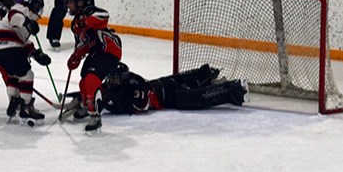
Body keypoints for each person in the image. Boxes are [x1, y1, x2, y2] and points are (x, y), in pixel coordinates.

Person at [66, 63, 248, 118]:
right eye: (111, 79)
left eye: (115, 79)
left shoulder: (133, 85)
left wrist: (106, 103)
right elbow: (100, 91)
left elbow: (141, 106)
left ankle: (235, 89)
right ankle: (207, 74)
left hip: (168, 97)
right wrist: (81, 98)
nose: (112, 82)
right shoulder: (116, 84)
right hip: (160, 83)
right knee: (186, 78)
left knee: (198, 98)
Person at [0, 0, 52, 126]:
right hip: (9, 47)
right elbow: (13, 16)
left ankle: (14, 101)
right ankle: (26, 108)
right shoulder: (22, 8)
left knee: (13, 75)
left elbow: (21, 41)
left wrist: (36, 54)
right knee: (27, 76)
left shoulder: (22, 22)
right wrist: (27, 22)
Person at [64, 0, 121, 134]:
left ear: (81, 3)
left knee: (91, 80)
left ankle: (95, 116)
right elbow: (83, 43)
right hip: (96, 51)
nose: (69, 6)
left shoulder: (90, 11)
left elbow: (104, 15)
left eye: (71, 3)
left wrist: (87, 20)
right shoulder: (75, 24)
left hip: (110, 50)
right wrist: (76, 56)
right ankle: (85, 105)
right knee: (83, 80)